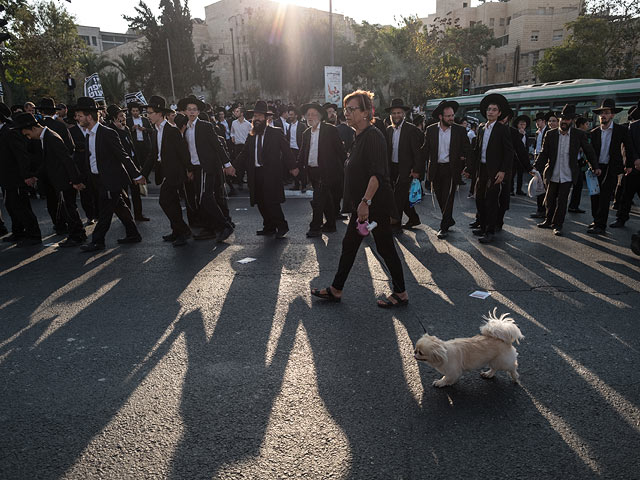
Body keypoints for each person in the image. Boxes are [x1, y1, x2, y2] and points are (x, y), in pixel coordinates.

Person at [311, 90, 408, 308]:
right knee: (351, 245)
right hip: (363, 204)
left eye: (352, 109)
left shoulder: (373, 136)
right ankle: (336, 289)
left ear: (366, 112)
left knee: (384, 248)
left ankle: (401, 292)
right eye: (346, 109)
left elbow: (377, 174)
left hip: (373, 204)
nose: (347, 113)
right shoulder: (359, 136)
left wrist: (365, 202)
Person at [74, 96, 145, 252]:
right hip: (98, 179)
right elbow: (91, 159)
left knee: (105, 211)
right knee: (119, 206)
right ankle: (133, 233)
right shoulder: (88, 134)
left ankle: (98, 241)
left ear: (89, 116)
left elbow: (122, 155)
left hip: (111, 179)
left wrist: (137, 175)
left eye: (79, 116)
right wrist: (83, 179)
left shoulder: (107, 132)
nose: (76, 118)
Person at [14, 112, 86, 248]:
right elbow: (47, 162)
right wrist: (36, 176)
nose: (28, 138)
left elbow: (66, 159)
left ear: (33, 128)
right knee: (67, 208)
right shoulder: (46, 137)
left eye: (27, 134)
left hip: (65, 180)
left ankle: (77, 236)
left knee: (69, 209)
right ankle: (77, 234)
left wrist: (76, 180)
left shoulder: (51, 137)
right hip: (61, 179)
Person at [234, 100, 298, 239]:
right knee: (260, 201)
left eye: (259, 116)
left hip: (270, 173)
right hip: (255, 173)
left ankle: (282, 226)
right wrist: (233, 167)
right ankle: (268, 226)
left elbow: (286, 150)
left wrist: (293, 167)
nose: (256, 119)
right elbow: (244, 153)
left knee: (271, 201)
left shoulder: (275, 133)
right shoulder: (251, 135)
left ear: (266, 118)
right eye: (255, 117)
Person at [177, 95, 236, 243]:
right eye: (189, 110)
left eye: (194, 110)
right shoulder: (186, 129)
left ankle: (225, 226)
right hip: (196, 169)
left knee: (206, 197)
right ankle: (209, 229)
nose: (191, 112)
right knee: (201, 199)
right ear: (184, 111)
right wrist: (189, 169)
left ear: (198, 112)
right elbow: (187, 151)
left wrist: (227, 164)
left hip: (207, 168)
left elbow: (218, 145)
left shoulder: (205, 126)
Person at [533, 104, 597, 236]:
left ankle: (558, 225)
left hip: (568, 174)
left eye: (567, 119)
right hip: (553, 173)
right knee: (549, 200)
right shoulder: (550, 134)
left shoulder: (578, 134)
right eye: (562, 119)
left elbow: (588, 151)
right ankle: (548, 220)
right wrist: (535, 168)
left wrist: (595, 166)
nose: (564, 122)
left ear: (572, 121)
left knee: (562, 202)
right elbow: (544, 153)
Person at [140, 95, 193, 247]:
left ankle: (183, 230)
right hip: (164, 172)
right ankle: (177, 230)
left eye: (150, 113)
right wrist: (143, 173)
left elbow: (183, 152)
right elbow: (153, 154)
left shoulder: (171, 130)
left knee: (164, 201)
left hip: (175, 173)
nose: (148, 116)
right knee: (173, 202)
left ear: (159, 113)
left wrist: (189, 170)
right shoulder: (155, 131)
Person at [464, 93, 514, 244]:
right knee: (479, 198)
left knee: (491, 201)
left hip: (495, 171)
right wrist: (469, 168)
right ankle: (483, 225)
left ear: (499, 113)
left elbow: (509, 152)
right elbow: (476, 151)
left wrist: (503, 171)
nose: (490, 112)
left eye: (494, 110)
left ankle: (490, 231)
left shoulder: (502, 129)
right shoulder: (481, 128)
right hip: (482, 169)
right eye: (489, 109)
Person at [422, 99, 471, 239]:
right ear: (440, 117)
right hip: (436, 170)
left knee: (448, 198)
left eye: (452, 115)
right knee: (440, 198)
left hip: (451, 170)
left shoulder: (459, 130)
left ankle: (443, 227)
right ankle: (448, 219)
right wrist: (417, 167)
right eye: (448, 116)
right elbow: (425, 150)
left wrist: (469, 168)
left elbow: (468, 150)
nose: (451, 118)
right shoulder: (430, 130)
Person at [298, 102, 346, 238]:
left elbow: (340, 150)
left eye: (313, 114)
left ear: (319, 117)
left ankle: (315, 227)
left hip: (327, 171)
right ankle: (330, 224)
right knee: (327, 199)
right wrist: (295, 167)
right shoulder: (306, 133)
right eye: (308, 115)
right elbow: (303, 152)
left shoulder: (330, 130)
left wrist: (347, 166)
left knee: (318, 199)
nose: (310, 117)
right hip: (312, 171)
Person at [588, 99, 632, 235]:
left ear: (612, 115)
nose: (603, 116)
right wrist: (593, 166)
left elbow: (628, 148)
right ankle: (596, 220)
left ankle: (601, 225)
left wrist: (629, 165)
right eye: (601, 113)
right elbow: (590, 153)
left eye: (606, 113)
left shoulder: (621, 131)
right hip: (596, 167)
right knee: (595, 196)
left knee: (605, 197)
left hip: (611, 168)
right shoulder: (594, 132)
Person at [0, 104, 42, 246]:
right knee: (11, 205)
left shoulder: (10, 132)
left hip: (16, 177)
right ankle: (18, 232)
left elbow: (21, 155)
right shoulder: (5, 131)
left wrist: (26, 175)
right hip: (7, 177)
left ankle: (33, 234)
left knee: (21, 206)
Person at [384, 98, 423, 231]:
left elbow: (418, 153)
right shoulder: (388, 130)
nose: (396, 116)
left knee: (397, 197)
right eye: (394, 113)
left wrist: (417, 170)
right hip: (392, 168)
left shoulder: (411, 130)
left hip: (406, 169)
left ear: (404, 114)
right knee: (402, 197)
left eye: (399, 113)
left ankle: (395, 224)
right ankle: (413, 218)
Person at [106, 104, 148, 222]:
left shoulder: (126, 128)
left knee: (136, 191)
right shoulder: (110, 130)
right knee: (124, 193)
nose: (124, 117)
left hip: (132, 162)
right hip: (121, 166)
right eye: (120, 115)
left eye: (123, 114)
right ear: (114, 117)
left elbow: (131, 145)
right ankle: (128, 217)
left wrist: (137, 165)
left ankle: (139, 215)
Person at [611, 103, 640, 229]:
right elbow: (628, 146)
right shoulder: (633, 127)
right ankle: (621, 219)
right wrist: (635, 160)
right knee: (626, 196)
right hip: (634, 168)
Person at [531, 111, 555, 218]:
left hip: (545, 160)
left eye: (539, 121)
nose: (537, 123)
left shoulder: (548, 132)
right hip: (538, 158)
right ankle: (540, 209)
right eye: (536, 121)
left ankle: (544, 210)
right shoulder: (538, 132)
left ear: (544, 121)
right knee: (539, 185)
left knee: (543, 186)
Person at [567, 116, 591, 213]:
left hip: (579, 163)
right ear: (581, 125)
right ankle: (571, 206)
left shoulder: (583, 134)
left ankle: (573, 205)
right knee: (574, 185)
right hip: (573, 163)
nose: (588, 126)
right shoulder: (575, 134)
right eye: (586, 124)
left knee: (578, 185)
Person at [126, 102, 153, 174]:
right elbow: (125, 132)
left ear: (139, 111)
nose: (135, 112)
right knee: (137, 160)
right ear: (130, 111)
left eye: (136, 111)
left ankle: (145, 175)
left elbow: (151, 130)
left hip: (145, 143)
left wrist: (144, 129)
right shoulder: (128, 120)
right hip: (135, 143)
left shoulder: (145, 120)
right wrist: (132, 129)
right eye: (133, 111)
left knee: (146, 160)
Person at [230, 105, 252, 193]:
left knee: (248, 165)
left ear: (242, 113)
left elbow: (251, 135)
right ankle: (240, 183)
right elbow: (232, 132)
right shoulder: (234, 123)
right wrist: (232, 136)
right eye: (235, 111)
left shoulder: (248, 124)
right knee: (239, 166)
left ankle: (250, 184)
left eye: (237, 111)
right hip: (237, 146)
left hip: (246, 147)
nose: (235, 113)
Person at [286, 105, 307, 192]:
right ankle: (296, 184)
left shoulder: (302, 125)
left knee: (301, 168)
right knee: (293, 167)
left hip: (299, 149)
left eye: (291, 115)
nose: (290, 116)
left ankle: (304, 185)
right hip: (291, 149)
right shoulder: (289, 126)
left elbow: (305, 138)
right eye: (289, 115)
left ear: (296, 115)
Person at [511, 114, 530, 196]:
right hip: (514, 157)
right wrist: (520, 134)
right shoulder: (515, 133)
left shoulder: (526, 134)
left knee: (520, 174)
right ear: (517, 125)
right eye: (521, 124)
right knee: (512, 174)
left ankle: (519, 189)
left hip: (522, 158)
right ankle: (511, 189)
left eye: (524, 124)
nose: (522, 126)